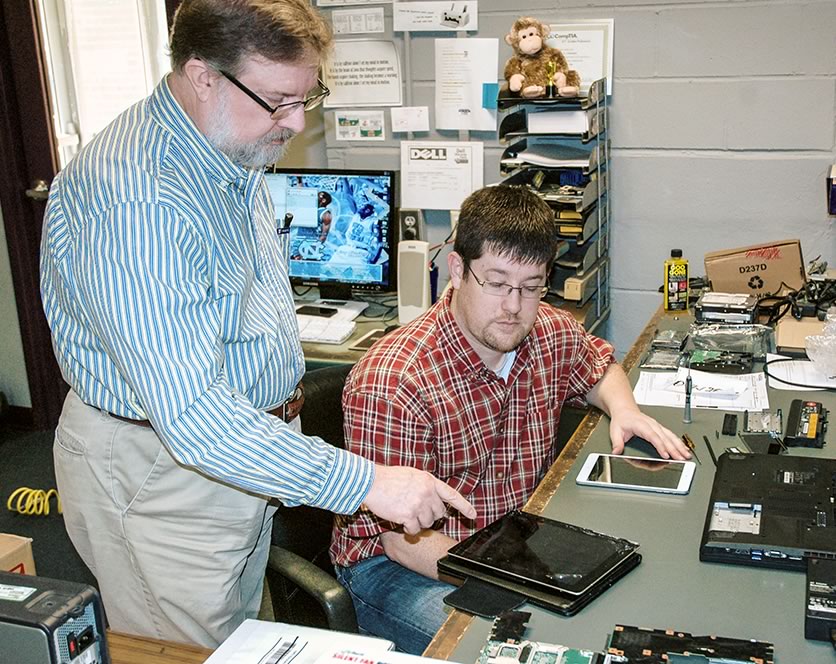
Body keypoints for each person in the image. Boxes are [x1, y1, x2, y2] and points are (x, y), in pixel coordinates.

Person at [39, 0, 473, 648]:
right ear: (203, 75)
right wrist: (369, 482)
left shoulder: (224, 143)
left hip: (237, 457)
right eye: (278, 101)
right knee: (195, 653)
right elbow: (193, 415)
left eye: (307, 97)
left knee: (245, 643)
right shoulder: (139, 199)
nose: (296, 124)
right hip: (163, 473)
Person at [330, 184, 690, 654]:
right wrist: (522, 582)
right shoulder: (395, 381)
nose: (513, 306)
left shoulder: (545, 330)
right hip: (397, 565)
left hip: (510, 539)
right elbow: (404, 542)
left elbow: (597, 364)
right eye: (497, 283)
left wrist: (624, 410)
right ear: (457, 270)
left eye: (531, 286)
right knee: (533, 648)